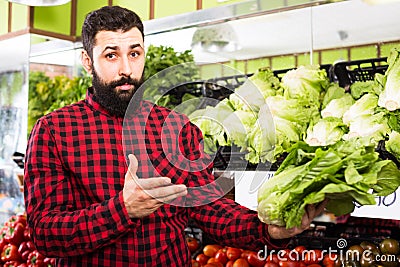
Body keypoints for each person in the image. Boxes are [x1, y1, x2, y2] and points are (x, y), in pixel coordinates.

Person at [24, 6, 326, 266]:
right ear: (88, 61)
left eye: (134, 53)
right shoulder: (54, 131)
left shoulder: (176, 126)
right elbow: (45, 234)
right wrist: (123, 209)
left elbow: (210, 207)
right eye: (111, 55)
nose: (127, 69)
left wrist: (266, 230)